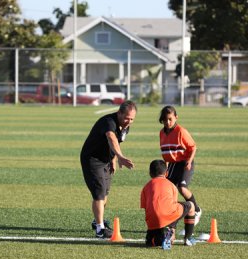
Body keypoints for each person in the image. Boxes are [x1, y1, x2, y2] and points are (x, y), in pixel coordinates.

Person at [80, 100, 137, 238]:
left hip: (106, 160)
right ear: (119, 113)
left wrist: (113, 159)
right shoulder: (108, 122)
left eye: (132, 119)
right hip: (92, 159)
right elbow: (111, 137)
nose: (128, 121)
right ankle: (100, 230)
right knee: (99, 193)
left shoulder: (125, 126)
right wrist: (120, 156)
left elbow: (116, 142)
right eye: (126, 118)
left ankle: (97, 220)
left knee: (105, 193)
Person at [158, 105, 202, 225]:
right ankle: (171, 214)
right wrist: (165, 170)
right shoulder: (162, 133)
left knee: (182, 188)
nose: (168, 122)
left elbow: (193, 147)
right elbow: (166, 153)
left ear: (176, 117)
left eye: (170, 119)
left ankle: (197, 210)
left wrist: (189, 160)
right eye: (165, 119)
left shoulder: (181, 131)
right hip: (172, 164)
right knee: (168, 189)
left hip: (185, 162)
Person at [140, 159, 196, 249]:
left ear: (150, 173)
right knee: (191, 205)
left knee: (151, 242)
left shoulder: (145, 187)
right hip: (168, 215)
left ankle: (154, 238)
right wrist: (172, 227)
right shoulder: (171, 185)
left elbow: (145, 208)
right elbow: (172, 207)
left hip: (151, 222)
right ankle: (187, 238)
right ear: (166, 173)